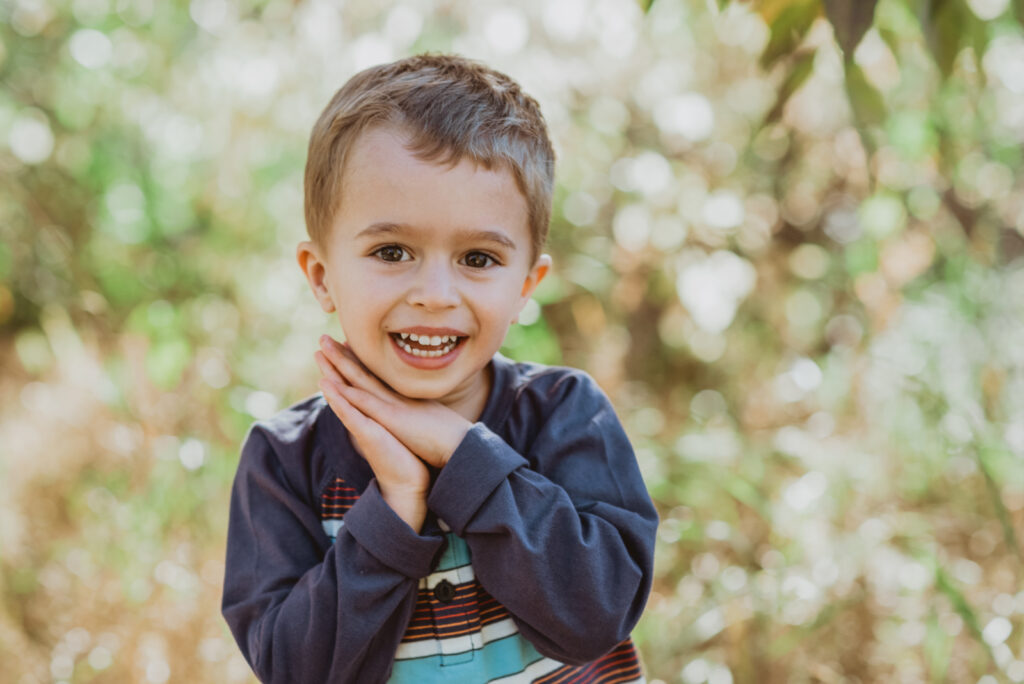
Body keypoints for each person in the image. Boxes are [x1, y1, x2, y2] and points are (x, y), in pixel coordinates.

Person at [221, 53, 659, 684]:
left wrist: (461, 454)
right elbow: (296, 672)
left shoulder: (565, 413)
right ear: (322, 276)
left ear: (526, 285)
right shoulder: (284, 462)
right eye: (391, 251)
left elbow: (595, 616)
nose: (435, 294)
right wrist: (397, 502)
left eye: (478, 258)